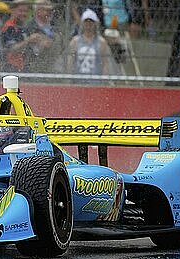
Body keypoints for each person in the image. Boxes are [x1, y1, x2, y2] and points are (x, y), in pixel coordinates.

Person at [67, 9, 111, 165]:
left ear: (95, 24)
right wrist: (70, 80)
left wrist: (104, 82)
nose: (88, 25)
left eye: (91, 22)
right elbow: (70, 63)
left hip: (95, 84)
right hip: (79, 83)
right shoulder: (75, 41)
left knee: (94, 110)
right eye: (86, 21)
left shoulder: (101, 43)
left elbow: (105, 65)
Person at [24, 0, 62, 73]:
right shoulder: (30, 26)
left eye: (50, 10)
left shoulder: (54, 24)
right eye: (46, 10)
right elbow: (28, 48)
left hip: (53, 64)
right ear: (38, 11)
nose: (49, 12)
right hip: (35, 65)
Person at [1, 0, 32, 72]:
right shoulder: (9, 26)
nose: (24, 13)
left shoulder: (21, 26)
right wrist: (30, 39)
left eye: (26, 11)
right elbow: (12, 48)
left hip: (22, 67)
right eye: (21, 11)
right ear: (13, 10)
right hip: (11, 68)